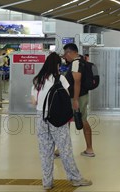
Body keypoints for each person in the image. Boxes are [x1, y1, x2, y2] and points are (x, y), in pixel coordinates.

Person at [31, 52, 92, 190]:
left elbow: (33, 101)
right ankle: (75, 178)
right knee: (65, 149)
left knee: (45, 151)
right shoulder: (61, 79)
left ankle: (47, 182)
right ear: (58, 65)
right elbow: (65, 98)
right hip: (57, 118)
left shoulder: (37, 79)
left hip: (41, 118)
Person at [63, 43, 95, 157]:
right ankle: (63, 149)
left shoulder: (76, 63)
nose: (65, 57)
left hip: (77, 97)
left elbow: (77, 82)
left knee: (80, 120)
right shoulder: (81, 61)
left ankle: (89, 149)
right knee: (77, 120)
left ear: (70, 52)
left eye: (65, 54)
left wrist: (75, 100)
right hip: (80, 96)